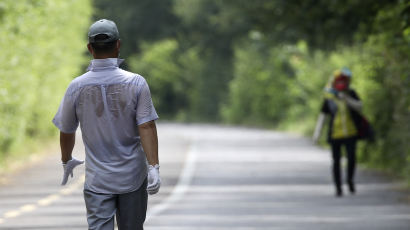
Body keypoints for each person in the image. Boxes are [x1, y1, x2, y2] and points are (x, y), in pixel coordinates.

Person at [52, 19, 161, 229]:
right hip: (133, 177)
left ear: (89, 48)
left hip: (97, 181)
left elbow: (66, 130)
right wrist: (154, 166)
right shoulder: (136, 82)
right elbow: (146, 126)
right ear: (118, 44)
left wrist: (67, 160)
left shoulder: (76, 86)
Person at [313, 67, 362, 197]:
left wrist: (346, 99)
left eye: (343, 82)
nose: (341, 84)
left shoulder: (351, 94)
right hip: (335, 135)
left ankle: (350, 180)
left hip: (351, 134)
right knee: (336, 161)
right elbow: (322, 116)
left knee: (351, 158)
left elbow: (359, 107)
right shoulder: (329, 99)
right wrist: (317, 134)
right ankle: (338, 187)